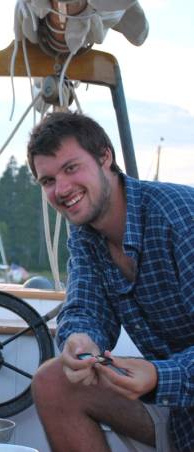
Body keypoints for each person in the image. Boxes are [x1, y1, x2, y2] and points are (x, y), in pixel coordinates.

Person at [26, 111, 193, 452]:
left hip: (177, 392)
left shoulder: (181, 216)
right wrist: (80, 341)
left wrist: (160, 376)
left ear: (105, 157)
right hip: (181, 413)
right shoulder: (86, 236)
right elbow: (85, 310)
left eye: (71, 168)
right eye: (48, 181)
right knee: (54, 380)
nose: (62, 189)